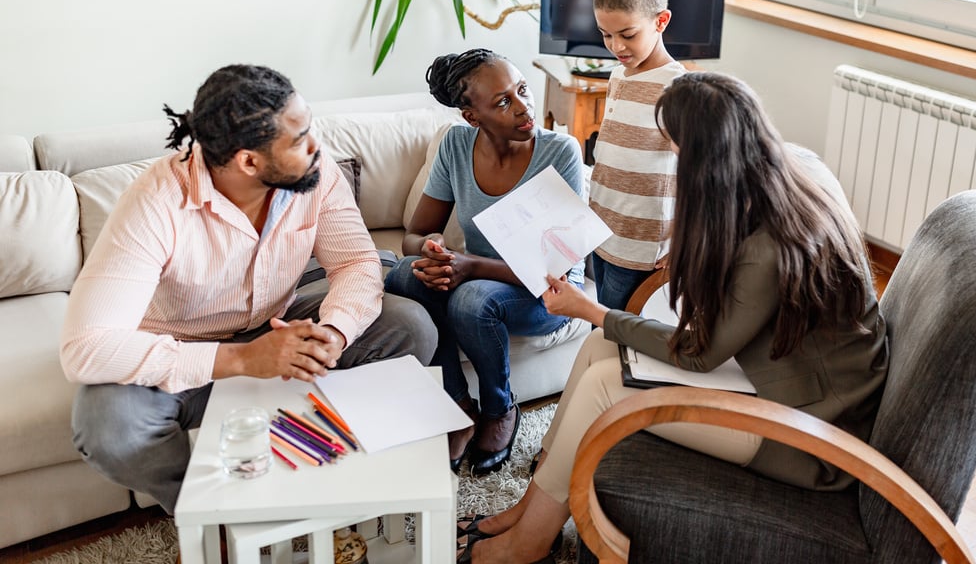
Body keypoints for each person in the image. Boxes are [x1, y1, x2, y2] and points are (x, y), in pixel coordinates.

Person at [457, 71, 890, 564]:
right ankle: (534, 505)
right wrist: (602, 321)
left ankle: (527, 543)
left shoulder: (770, 242)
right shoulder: (772, 187)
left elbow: (699, 353)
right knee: (601, 347)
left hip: (808, 432)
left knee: (604, 383)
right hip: (779, 383)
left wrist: (591, 309)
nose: (673, 159)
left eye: (677, 147)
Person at [60, 64, 437, 515]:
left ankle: (331, 478)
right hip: (183, 348)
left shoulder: (316, 172)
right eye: (299, 139)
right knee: (108, 427)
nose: (317, 146)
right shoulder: (155, 202)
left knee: (410, 326)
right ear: (249, 161)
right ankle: (211, 515)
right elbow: (85, 348)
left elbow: (356, 261)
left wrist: (334, 332)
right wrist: (241, 358)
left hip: (280, 319)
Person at [384, 49, 586, 477]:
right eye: (502, 102)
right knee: (403, 275)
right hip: (477, 273)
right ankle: (456, 407)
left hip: (548, 291)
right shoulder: (457, 146)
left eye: (523, 91)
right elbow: (413, 236)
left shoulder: (560, 153)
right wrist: (433, 251)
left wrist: (469, 266)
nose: (523, 107)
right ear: (472, 117)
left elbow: (556, 270)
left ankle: (499, 408)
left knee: (472, 300)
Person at [587, 0, 685, 312]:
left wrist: (685, 245)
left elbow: (697, 175)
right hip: (601, 232)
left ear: (661, 21)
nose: (616, 46)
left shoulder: (677, 88)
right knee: (603, 318)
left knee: (617, 332)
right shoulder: (617, 76)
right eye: (606, 34)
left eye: (627, 34)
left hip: (640, 246)